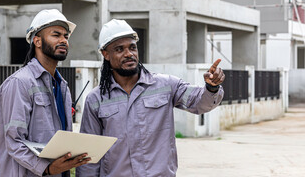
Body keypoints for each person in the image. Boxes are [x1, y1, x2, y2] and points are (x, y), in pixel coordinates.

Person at [76, 19, 225, 177]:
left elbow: (200, 102)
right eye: (119, 49)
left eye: (132, 47)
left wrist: (211, 87)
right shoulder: (96, 99)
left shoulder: (166, 85)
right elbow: (89, 156)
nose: (129, 54)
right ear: (106, 54)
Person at [0, 9, 91, 177]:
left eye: (66, 36)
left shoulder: (62, 86)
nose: (63, 40)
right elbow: (13, 142)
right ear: (37, 41)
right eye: (56, 35)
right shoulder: (19, 83)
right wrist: (46, 168)